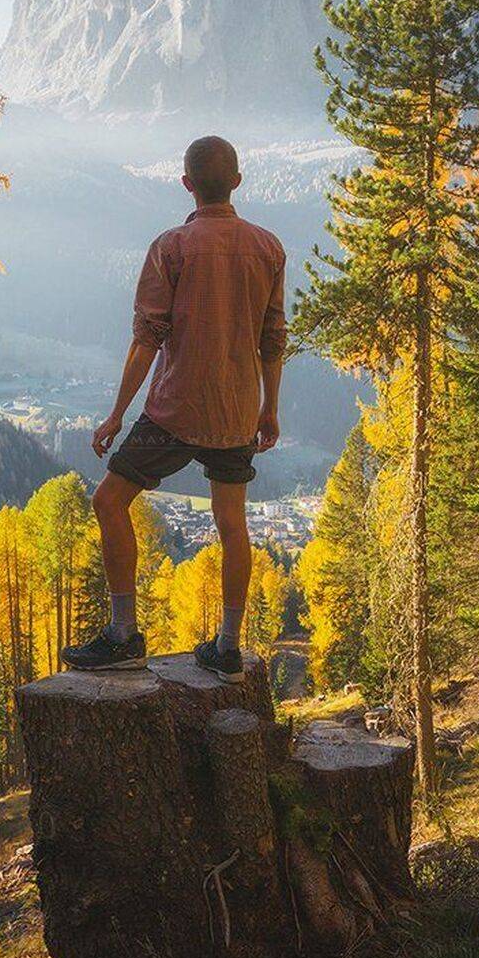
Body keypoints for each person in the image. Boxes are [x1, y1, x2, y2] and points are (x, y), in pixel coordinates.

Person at [62, 135, 286, 683]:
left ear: (186, 184)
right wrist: (269, 408)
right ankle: (228, 649)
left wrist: (117, 414)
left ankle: (123, 636)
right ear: (236, 180)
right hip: (237, 412)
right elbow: (272, 338)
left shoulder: (171, 247)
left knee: (110, 501)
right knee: (232, 525)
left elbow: (147, 339)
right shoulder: (269, 248)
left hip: (173, 411)